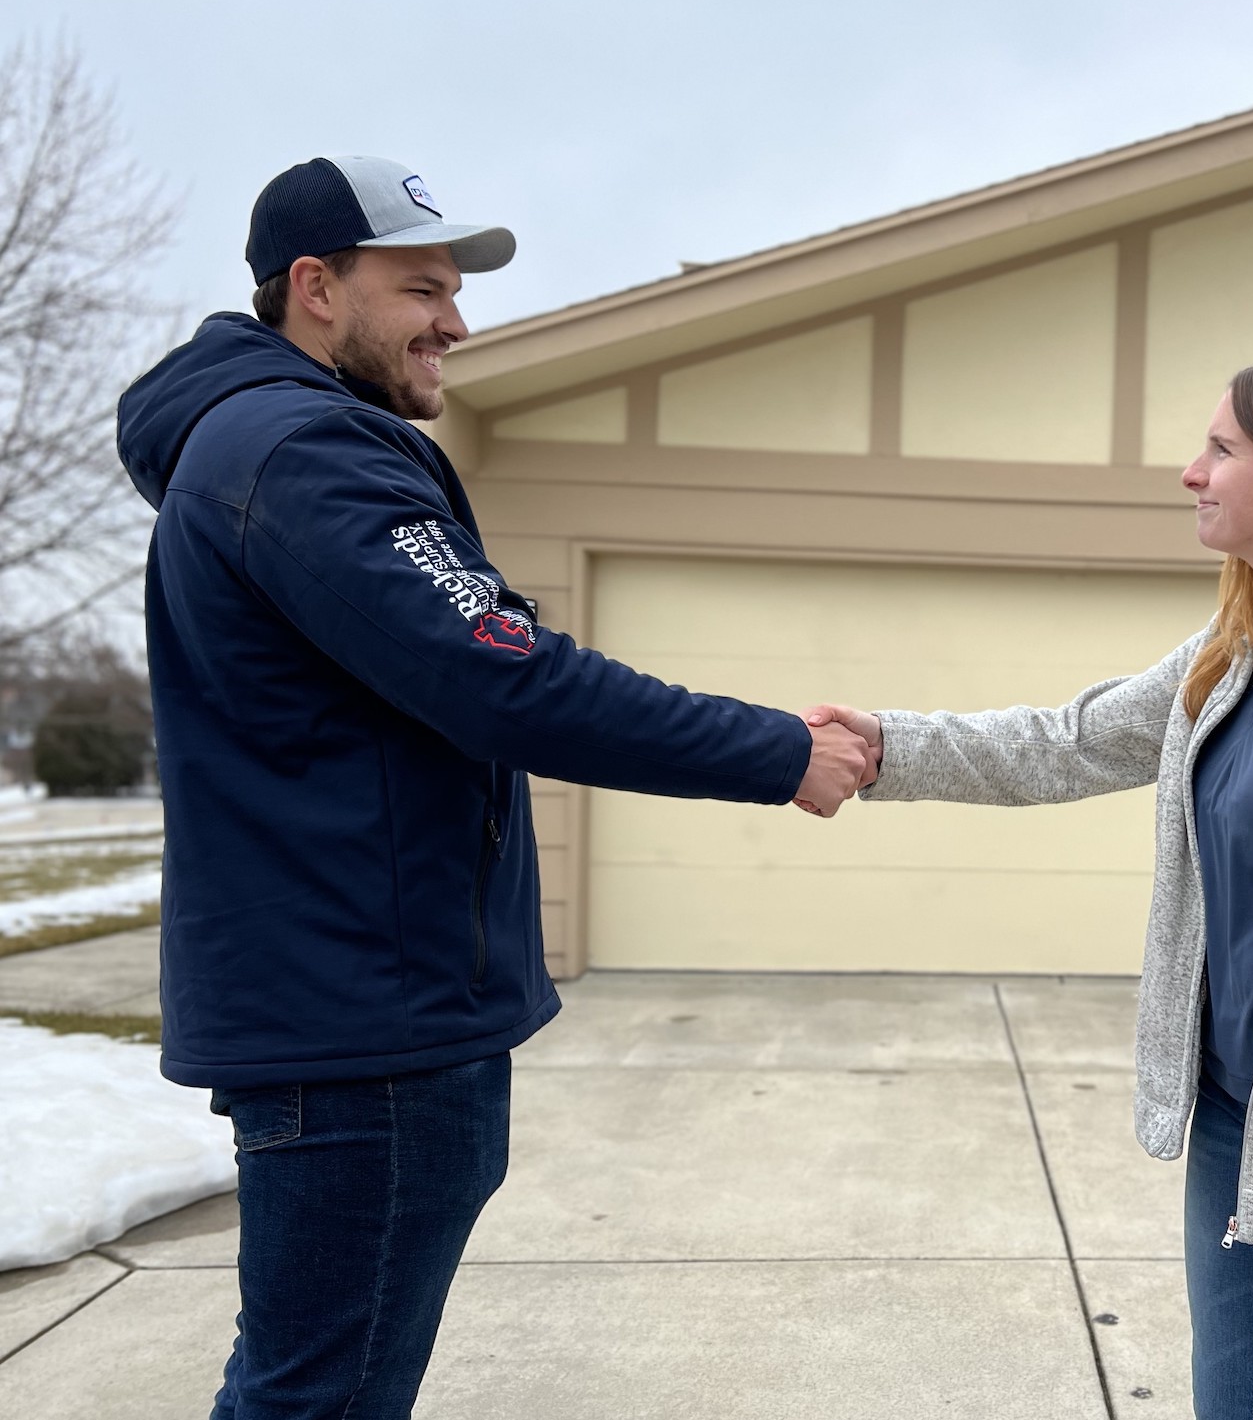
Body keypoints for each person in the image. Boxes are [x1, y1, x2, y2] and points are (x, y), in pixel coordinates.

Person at [116, 154, 876, 1419]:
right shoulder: (305, 450)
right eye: (421, 289)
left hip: (343, 1009)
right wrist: (775, 751)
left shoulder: (255, 443)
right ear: (315, 287)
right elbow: (507, 679)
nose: (455, 325)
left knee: (310, 1382)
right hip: (368, 1028)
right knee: (326, 1394)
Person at [807, 361, 1253, 1419]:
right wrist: (886, 747)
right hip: (1234, 1121)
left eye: (1223, 450)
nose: (1192, 472)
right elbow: (1069, 741)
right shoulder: (1233, 655)